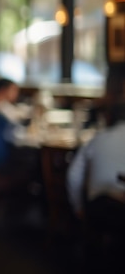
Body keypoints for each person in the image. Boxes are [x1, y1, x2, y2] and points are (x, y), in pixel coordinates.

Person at [66, 101, 125, 248]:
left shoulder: (96, 139)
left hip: (99, 208)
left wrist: (78, 208)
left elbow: (73, 175)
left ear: (107, 117)